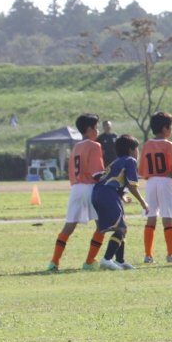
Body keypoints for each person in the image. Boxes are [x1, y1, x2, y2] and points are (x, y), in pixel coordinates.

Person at [47, 113, 107, 272]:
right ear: (89, 130)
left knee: (69, 226)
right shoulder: (95, 146)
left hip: (75, 188)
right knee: (101, 225)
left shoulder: (75, 147)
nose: (98, 131)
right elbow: (97, 173)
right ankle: (89, 262)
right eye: (96, 127)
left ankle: (54, 262)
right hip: (90, 187)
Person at [91, 134, 148, 270]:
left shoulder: (116, 161)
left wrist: (122, 196)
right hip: (108, 194)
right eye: (137, 149)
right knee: (121, 228)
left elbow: (112, 180)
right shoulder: (130, 160)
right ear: (131, 150)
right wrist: (143, 202)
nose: (138, 153)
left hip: (99, 193)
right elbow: (131, 185)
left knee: (121, 227)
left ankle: (120, 261)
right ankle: (107, 259)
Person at [139, 111, 172, 264]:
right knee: (167, 217)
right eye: (170, 127)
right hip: (165, 181)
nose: (171, 130)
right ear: (165, 128)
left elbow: (142, 169)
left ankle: (148, 256)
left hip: (151, 182)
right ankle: (170, 255)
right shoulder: (168, 144)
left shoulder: (147, 144)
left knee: (151, 217)